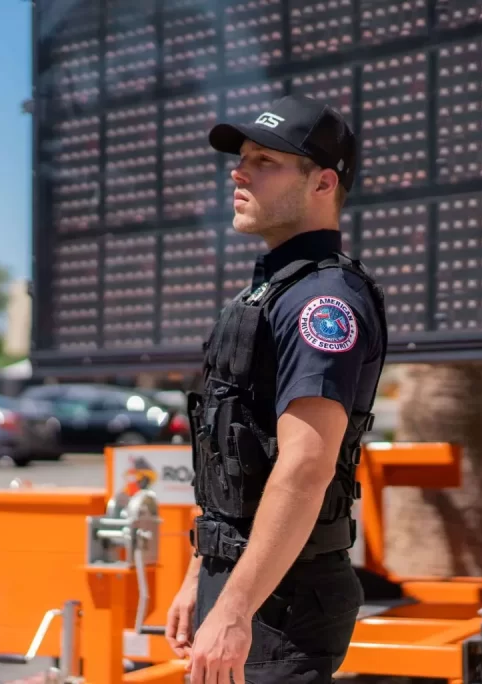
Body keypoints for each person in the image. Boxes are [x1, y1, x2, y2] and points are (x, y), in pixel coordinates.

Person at [164, 94, 388, 684]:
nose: (239, 172)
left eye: (266, 160)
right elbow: (233, 457)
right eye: (242, 158)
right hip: (242, 581)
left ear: (323, 183)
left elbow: (305, 467)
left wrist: (235, 610)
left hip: (283, 602)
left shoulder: (325, 302)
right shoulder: (270, 294)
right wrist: (200, 575)